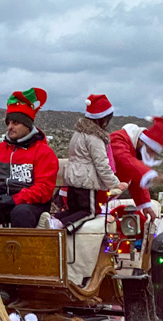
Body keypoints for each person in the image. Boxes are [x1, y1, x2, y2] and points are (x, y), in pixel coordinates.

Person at [0, 88, 59, 228]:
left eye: (15, 123)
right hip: (1, 200)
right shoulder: (0, 149)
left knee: (20, 213)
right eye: (8, 123)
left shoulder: (44, 152)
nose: (10, 127)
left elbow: (44, 189)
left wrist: (15, 199)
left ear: (27, 125)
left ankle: (24, 250)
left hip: (30, 205)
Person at [40, 94, 128, 230]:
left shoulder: (78, 134)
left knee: (74, 211)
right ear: (103, 118)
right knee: (89, 212)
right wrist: (115, 183)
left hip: (72, 181)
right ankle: (59, 225)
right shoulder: (95, 138)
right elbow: (102, 164)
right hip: (86, 183)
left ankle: (53, 220)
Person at [109, 116, 163, 222]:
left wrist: (145, 205)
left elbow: (137, 179)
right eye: (151, 151)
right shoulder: (118, 139)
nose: (151, 157)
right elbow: (124, 160)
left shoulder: (134, 151)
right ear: (141, 142)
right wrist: (149, 174)